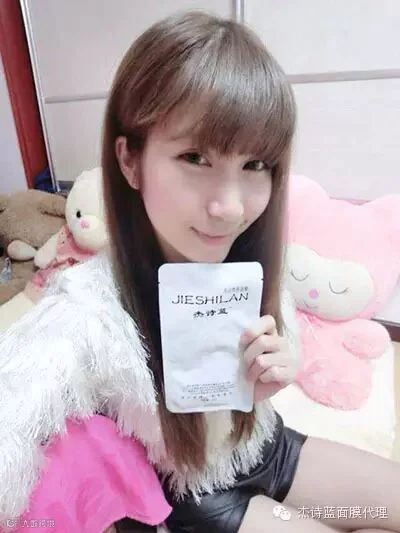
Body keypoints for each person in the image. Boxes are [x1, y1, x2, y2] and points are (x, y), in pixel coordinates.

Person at [0, 10, 399, 533]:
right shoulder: (86, 309)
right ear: (130, 161)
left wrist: (275, 369)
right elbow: (13, 409)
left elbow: (282, 345)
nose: (231, 208)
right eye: (195, 157)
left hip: (267, 447)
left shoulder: (250, 264)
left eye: (254, 165)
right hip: (199, 497)